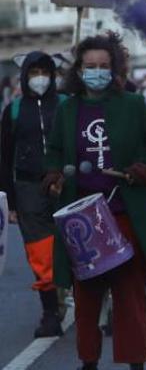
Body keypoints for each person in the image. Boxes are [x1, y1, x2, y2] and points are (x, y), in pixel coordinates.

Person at [42, 32, 146, 370]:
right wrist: (54, 174)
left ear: (114, 68)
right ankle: (88, 362)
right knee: (86, 298)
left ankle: (135, 363)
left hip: (123, 213)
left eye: (103, 65)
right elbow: (54, 151)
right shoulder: (67, 108)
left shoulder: (131, 104)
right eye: (90, 66)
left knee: (130, 296)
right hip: (82, 220)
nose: (96, 71)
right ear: (79, 70)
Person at [0, 51, 65, 337]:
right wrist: (11, 202)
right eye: (34, 72)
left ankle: (98, 304)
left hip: (66, 184)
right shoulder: (12, 111)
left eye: (45, 72)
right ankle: (50, 313)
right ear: (25, 76)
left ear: (53, 75)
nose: (40, 78)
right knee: (41, 253)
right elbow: (3, 158)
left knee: (80, 244)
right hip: (27, 190)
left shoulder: (66, 105)